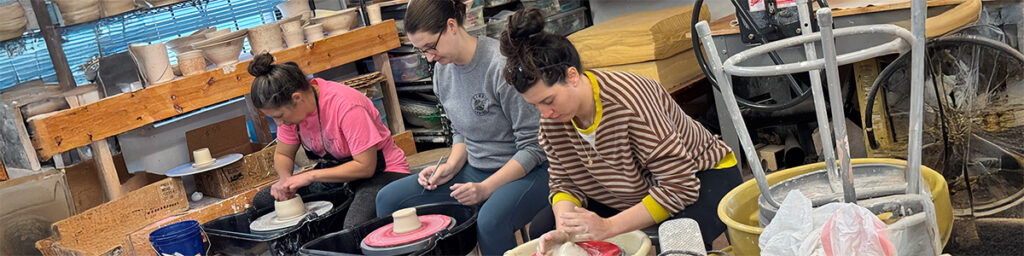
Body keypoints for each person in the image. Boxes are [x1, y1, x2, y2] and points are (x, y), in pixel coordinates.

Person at [498, 9, 743, 253]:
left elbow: (679, 186)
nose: (545, 113)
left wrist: (608, 226)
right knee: (545, 228)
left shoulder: (630, 101)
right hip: (629, 190)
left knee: (679, 239)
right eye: (536, 105)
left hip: (700, 176)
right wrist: (565, 226)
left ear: (572, 76)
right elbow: (564, 182)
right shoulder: (552, 120)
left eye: (549, 101)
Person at [374, 0, 549, 254]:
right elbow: (461, 132)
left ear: (451, 26)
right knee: (389, 199)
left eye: (430, 47)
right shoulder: (441, 73)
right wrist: (449, 167)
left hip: (527, 171)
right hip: (477, 169)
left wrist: (486, 188)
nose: (429, 57)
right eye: (421, 51)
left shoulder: (500, 66)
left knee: (490, 221)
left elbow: (533, 147)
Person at [247, 53, 410, 229]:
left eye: (279, 116)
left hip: (383, 172)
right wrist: (285, 182)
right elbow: (283, 153)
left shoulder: (346, 106)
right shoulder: (290, 113)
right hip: (337, 173)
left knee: (354, 227)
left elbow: (366, 167)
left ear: (297, 98)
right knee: (263, 201)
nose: (279, 123)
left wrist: (309, 176)